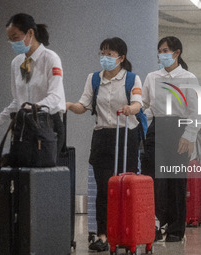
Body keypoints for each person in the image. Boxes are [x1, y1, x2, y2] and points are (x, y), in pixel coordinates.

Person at [66, 37, 142, 252]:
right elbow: (84, 105)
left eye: (110, 54)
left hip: (126, 136)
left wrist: (131, 108)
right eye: (103, 53)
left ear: (121, 57)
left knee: (125, 188)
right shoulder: (94, 79)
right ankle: (102, 235)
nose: (105, 57)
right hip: (102, 137)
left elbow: (138, 102)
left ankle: (126, 234)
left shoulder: (132, 79)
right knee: (104, 188)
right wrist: (71, 106)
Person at [141, 36, 201, 242]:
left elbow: (195, 111)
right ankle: (156, 225)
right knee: (155, 180)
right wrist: (137, 117)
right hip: (157, 129)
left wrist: (189, 135)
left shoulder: (188, 77)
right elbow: (146, 106)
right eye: (159, 51)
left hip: (179, 129)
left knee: (176, 182)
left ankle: (176, 229)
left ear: (176, 53)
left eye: (165, 51)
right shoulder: (151, 77)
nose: (161, 54)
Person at [0, 13, 66, 154]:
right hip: (24, 126)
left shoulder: (50, 59)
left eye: (15, 38)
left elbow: (55, 97)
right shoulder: (16, 63)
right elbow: (18, 101)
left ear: (30, 33)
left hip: (47, 124)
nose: (12, 43)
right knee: (22, 172)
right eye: (9, 39)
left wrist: (33, 107)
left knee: (42, 172)